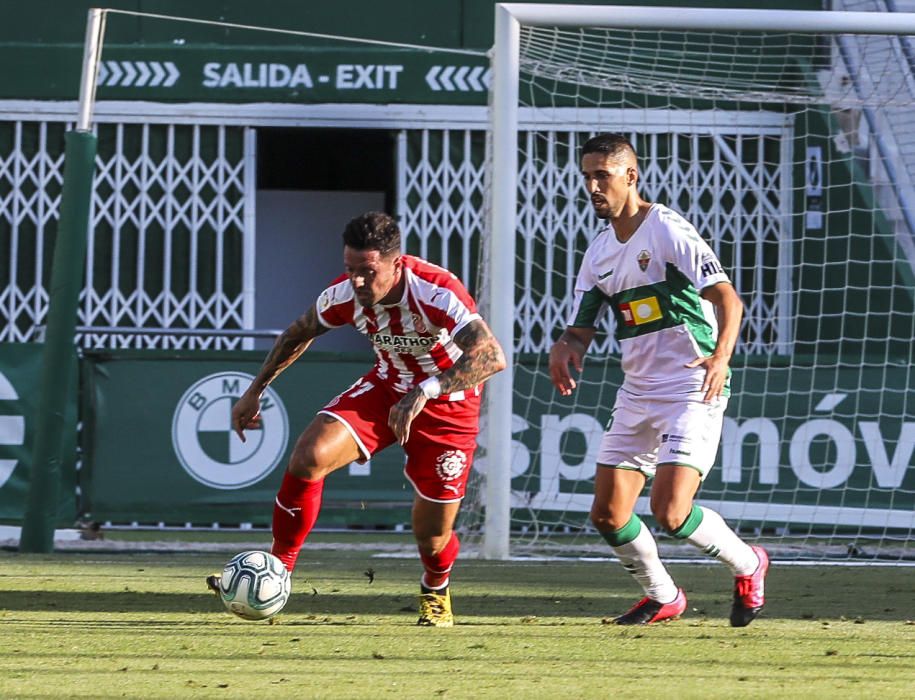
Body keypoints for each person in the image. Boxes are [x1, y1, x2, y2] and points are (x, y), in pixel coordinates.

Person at [209, 211, 506, 627]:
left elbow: (491, 357)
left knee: (433, 536)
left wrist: (426, 389)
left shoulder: (437, 291)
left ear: (396, 263)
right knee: (308, 456)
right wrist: (254, 390)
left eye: (368, 272)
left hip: (447, 404)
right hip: (386, 389)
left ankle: (436, 588)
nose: (358, 282)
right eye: (350, 270)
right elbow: (298, 332)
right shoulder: (345, 294)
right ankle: (279, 571)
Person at [548, 133, 769, 626]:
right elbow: (582, 329)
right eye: (586, 176)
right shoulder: (600, 251)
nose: (592, 185)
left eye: (601, 175)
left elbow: (729, 300)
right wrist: (566, 346)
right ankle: (664, 595)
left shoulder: (667, 230)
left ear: (631, 175)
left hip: (692, 385)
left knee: (670, 512)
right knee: (608, 514)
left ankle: (750, 563)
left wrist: (721, 357)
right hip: (638, 390)